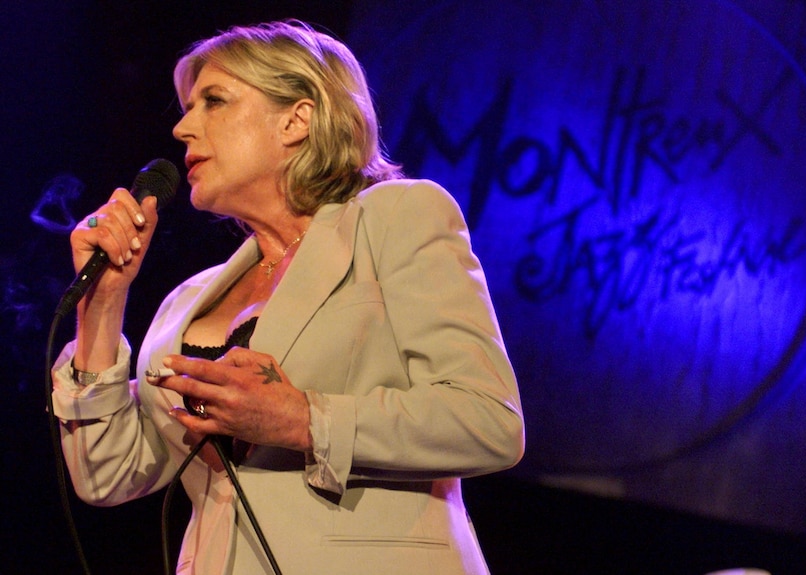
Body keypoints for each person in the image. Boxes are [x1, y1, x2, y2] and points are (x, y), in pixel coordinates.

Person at [51, 19, 524, 575]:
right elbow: (106, 476)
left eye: (213, 101)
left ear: (296, 120)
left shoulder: (398, 217)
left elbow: (489, 420)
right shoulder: (190, 300)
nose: (182, 128)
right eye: (188, 106)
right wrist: (102, 305)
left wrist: (304, 419)